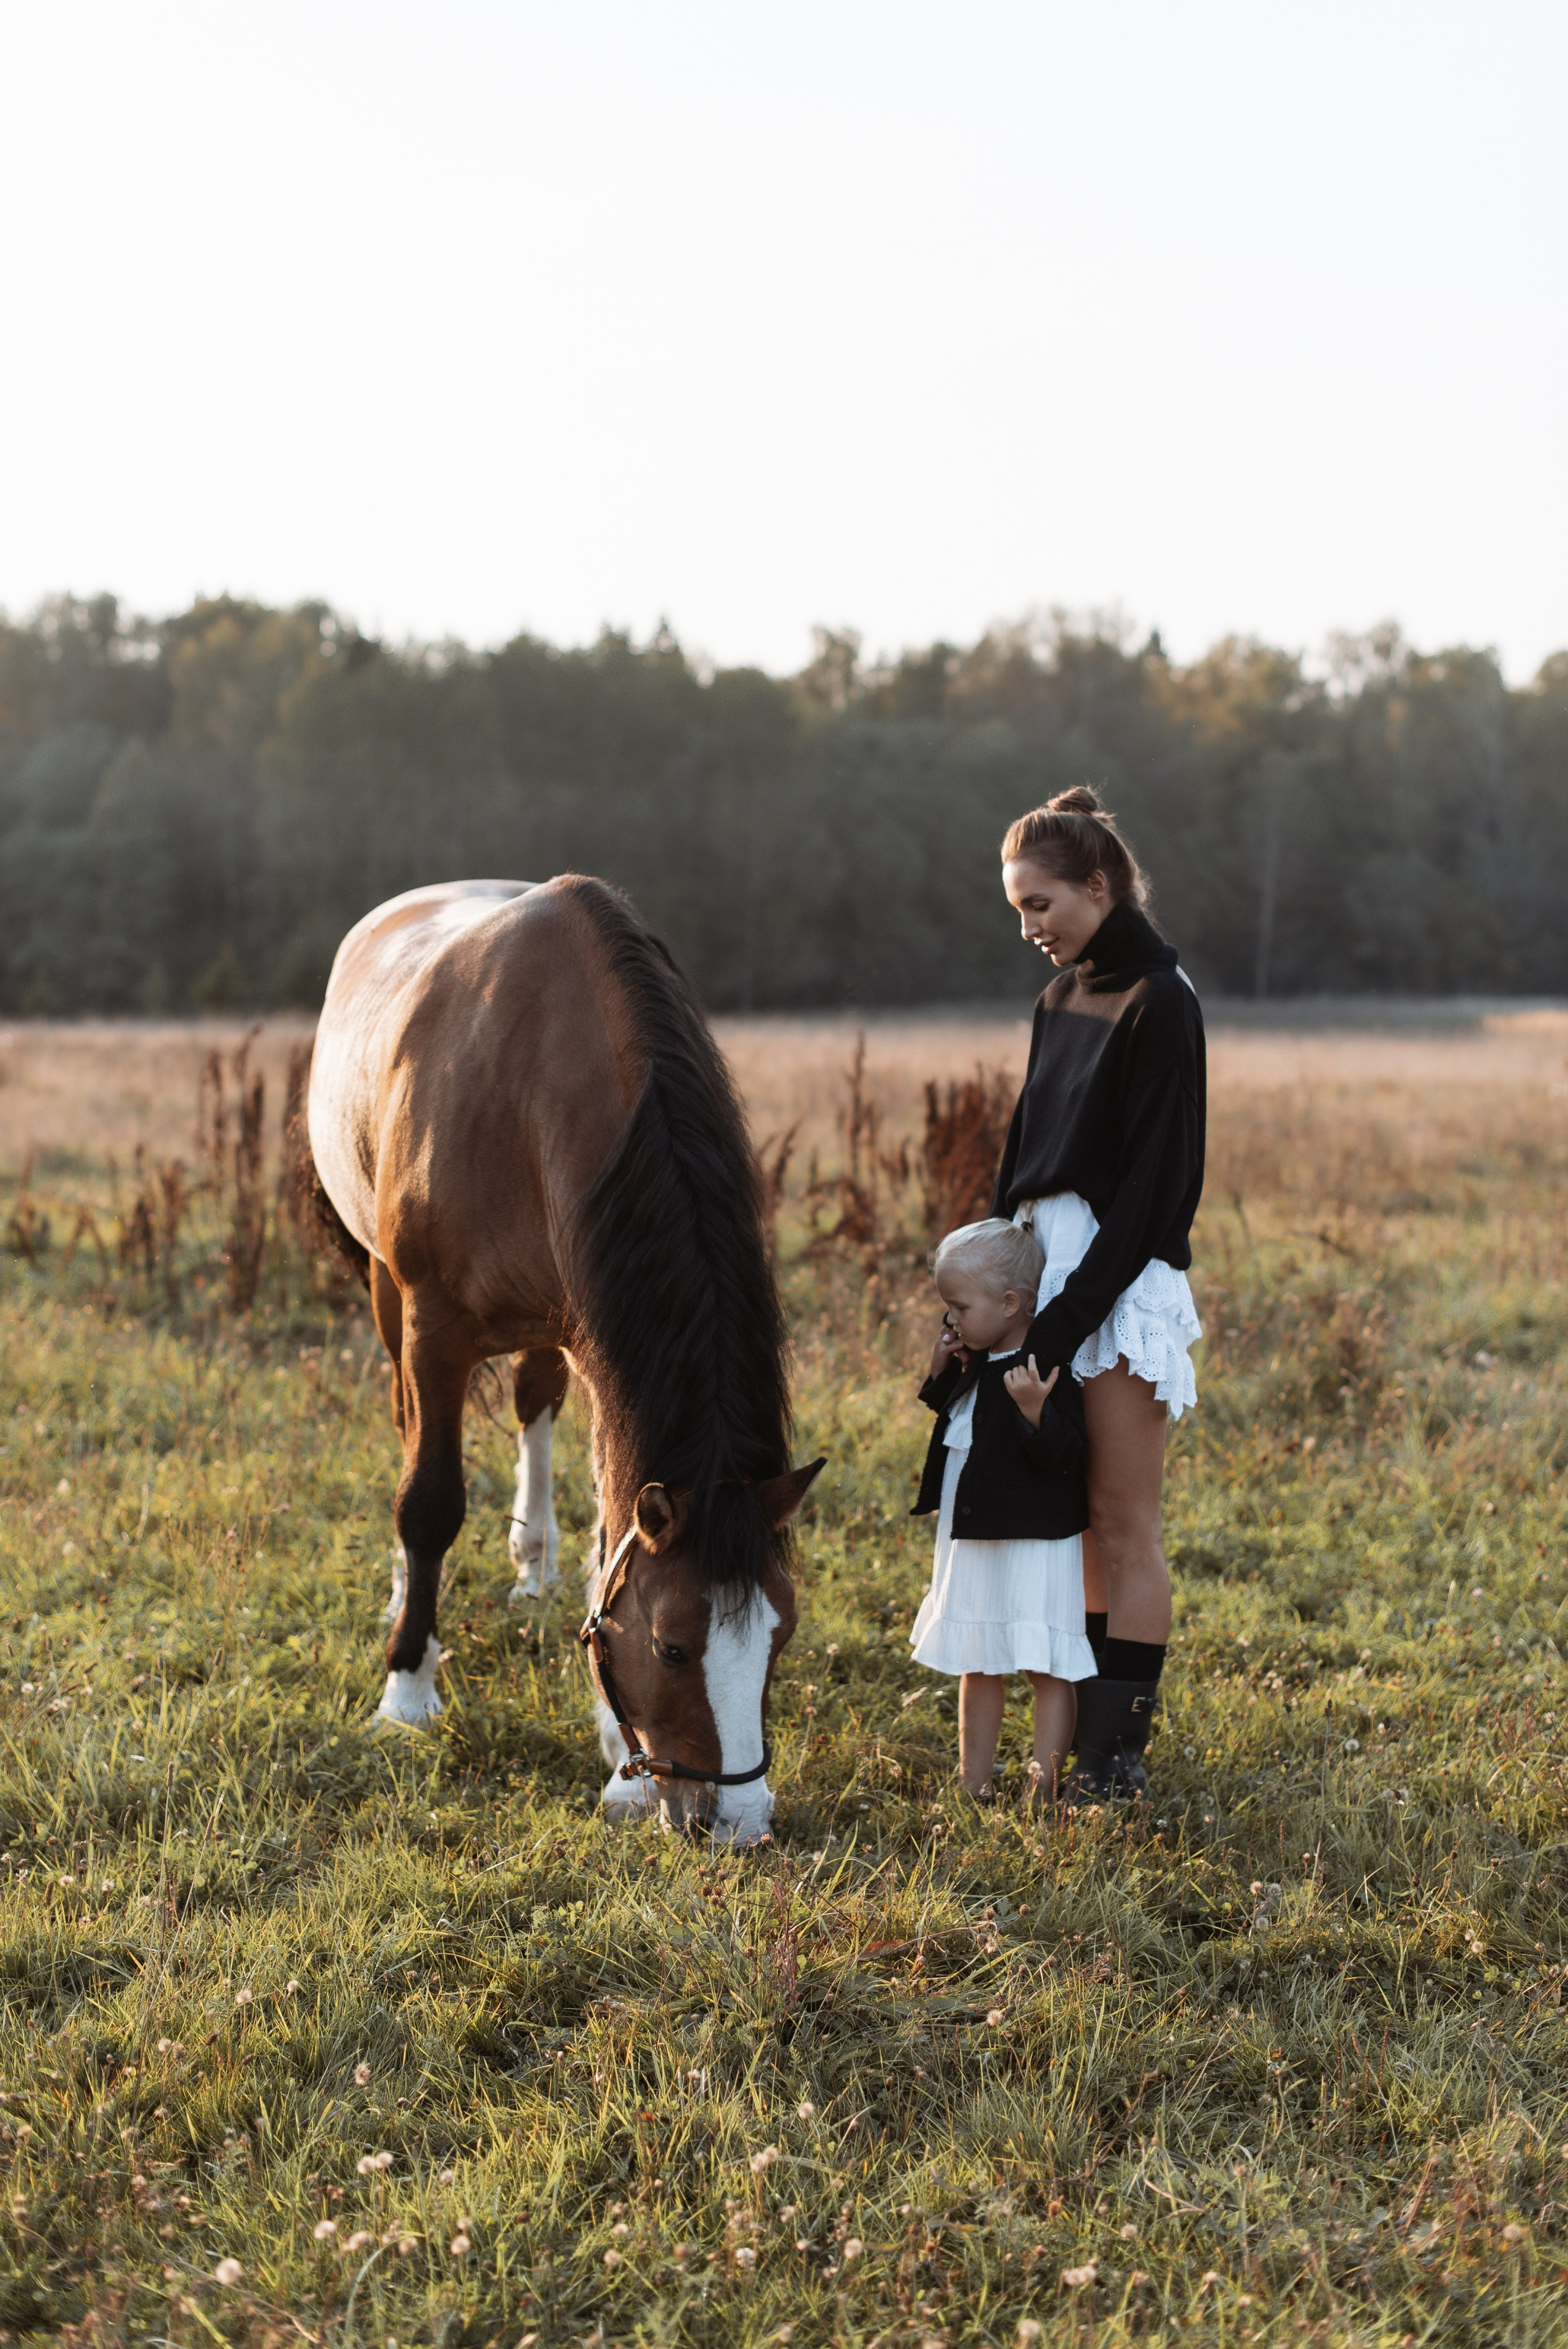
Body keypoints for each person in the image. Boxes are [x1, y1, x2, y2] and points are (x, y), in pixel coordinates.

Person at [992, 785, 1205, 1800]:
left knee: (1123, 1523)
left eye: (1042, 904)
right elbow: (1020, 1159)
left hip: (1120, 1293)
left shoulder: (1165, 1001)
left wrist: (1072, 1319)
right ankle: (1075, 1739)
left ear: (1099, 882)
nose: (1031, 927)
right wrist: (989, 1294)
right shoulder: (1057, 999)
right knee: (1073, 1522)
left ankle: (1115, 1760)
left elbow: (1154, 1192)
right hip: (1046, 1284)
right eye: (1018, 911)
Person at [908, 1218, 1096, 1803]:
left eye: (959, 1306)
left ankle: (1043, 1790)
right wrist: (942, 1372)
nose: (951, 1320)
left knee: (1047, 1663)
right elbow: (953, 1423)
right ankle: (975, 1783)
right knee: (978, 1657)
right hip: (973, 1535)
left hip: (1034, 1538)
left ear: (1011, 1303)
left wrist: (1035, 1410)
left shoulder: (1042, 1367)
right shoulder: (977, 1357)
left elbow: (1069, 1455)